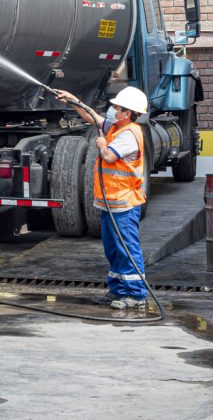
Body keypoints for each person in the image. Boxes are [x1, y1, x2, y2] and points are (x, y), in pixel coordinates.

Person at [53, 86, 149, 310]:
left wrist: (102, 144)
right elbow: (92, 118)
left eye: (117, 107)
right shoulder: (116, 127)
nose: (112, 109)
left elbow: (108, 155)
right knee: (113, 249)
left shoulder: (129, 134)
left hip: (124, 204)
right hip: (111, 203)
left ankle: (136, 295)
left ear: (128, 113)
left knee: (126, 249)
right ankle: (117, 290)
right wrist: (73, 100)